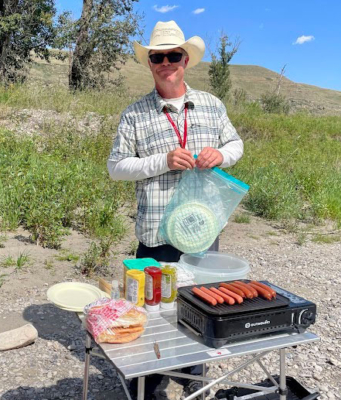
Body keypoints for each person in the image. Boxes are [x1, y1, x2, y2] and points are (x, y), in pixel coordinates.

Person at [107, 20, 244, 398]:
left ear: (186, 60)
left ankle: (193, 382)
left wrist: (223, 155)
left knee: (201, 308)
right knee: (153, 314)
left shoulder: (213, 105)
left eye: (173, 55)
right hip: (155, 234)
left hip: (202, 232)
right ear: (149, 63)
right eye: (157, 57)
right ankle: (148, 381)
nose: (166, 62)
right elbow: (116, 167)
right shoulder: (134, 115)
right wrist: (162, 160)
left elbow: (235, 144)